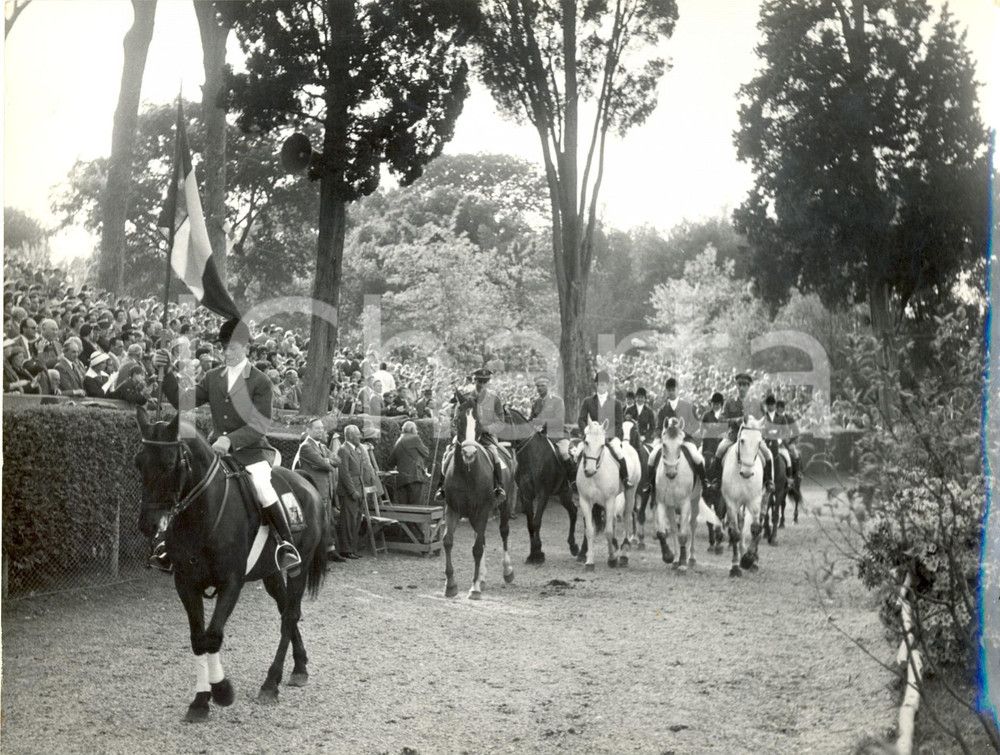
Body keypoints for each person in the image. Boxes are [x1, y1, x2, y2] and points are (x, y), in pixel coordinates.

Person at [154, 318, 302, 574]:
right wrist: (166, 372)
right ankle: (169, 545)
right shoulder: (213, 377)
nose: (226, 353)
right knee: (188, 482)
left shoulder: (260, 381)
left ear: (245, 348)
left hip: (252, 451)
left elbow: (260, 425)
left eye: (232, 348)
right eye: (223, 348)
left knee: (262, 486)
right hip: (216, 452)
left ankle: (286, 545)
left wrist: (231, 439)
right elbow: (183, 402)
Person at [647, 377, 708, 499]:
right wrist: (663, 435)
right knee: (652, 456)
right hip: (668, 442)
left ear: (677, 390)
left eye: (673, 389)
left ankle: (704, 481)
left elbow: (696, 424)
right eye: (668, 390)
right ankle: (650, 484)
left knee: (697, 457)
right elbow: (658, 428)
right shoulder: (663, 409)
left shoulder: (687, 406)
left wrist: (684, 433)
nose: (671, 392)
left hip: (684, 440)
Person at [293, 418, 344, 563]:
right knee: (316, 525)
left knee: (327, 522)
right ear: (308, 430)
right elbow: (325, 465)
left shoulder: (321, 446)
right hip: (313, 492)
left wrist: (326, 461)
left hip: (326, 491)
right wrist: (326, 461)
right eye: (317, 428)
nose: (321, 431)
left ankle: (328, 552)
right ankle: (315, 557)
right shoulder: (306, 447)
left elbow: (338, 460)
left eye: (322, 428)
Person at [713, 372, 773, 490]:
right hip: (733, 435)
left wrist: (760, 430)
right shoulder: (730, 402)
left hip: (751, 437)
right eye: (739, 385)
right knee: (719, 450)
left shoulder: (756, 403)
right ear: (736, 386)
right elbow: (721, 419)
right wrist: (736, 421)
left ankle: (768, 481)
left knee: (767, 453)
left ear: (749, 386)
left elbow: (764, 421)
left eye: (744, 385)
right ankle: (717, 480)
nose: (741, 388)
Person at [576, 370, 630, 487]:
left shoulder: (616, 404)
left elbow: (619, 424)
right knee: (577, 453)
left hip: (610, 437)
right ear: (596, 385)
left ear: (608, 386)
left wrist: (607, 435)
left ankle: (625, 479)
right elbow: (581, 419)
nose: (600, 387)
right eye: (599, 384)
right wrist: (586, 430)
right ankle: (573, 481)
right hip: (591, 437)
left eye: (603, 385)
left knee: (619, 453)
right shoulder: (588, 401)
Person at [336, 424, 366, 559]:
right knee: (348, 522)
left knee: (355, 521)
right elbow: (344, 473)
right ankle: (346, 549)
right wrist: (352, 491)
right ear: (350, 436)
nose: (360, 436)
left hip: (358, 490)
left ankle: (352, 548)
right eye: (358, 434)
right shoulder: (344, 450)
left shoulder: (355, 449)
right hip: (350, 492)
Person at [388, 420, 431, 507]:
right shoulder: (415, 438)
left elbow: (390, 462)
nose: (417, 431)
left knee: (405, 507)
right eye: (416, 429)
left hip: (401, 480)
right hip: (415, 477)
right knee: (417, 507)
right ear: (411, 430)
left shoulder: (398, 441)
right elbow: (426, 453)